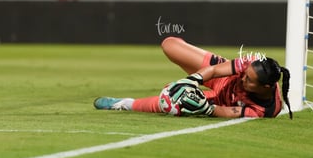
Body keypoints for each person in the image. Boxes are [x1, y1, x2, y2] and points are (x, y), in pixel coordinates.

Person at [94, 37, 293, 119]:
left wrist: (204, 108)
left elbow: (223, 111)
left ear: (267, 86)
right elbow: (215, 71)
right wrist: (193, 79)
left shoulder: (263, 110)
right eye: (245, 76)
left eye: (249, 81)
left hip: (219, 101)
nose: (243, 80)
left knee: (170, 102)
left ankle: (124, 104)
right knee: (169, 43)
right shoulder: (250, 64)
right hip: (220, 79)